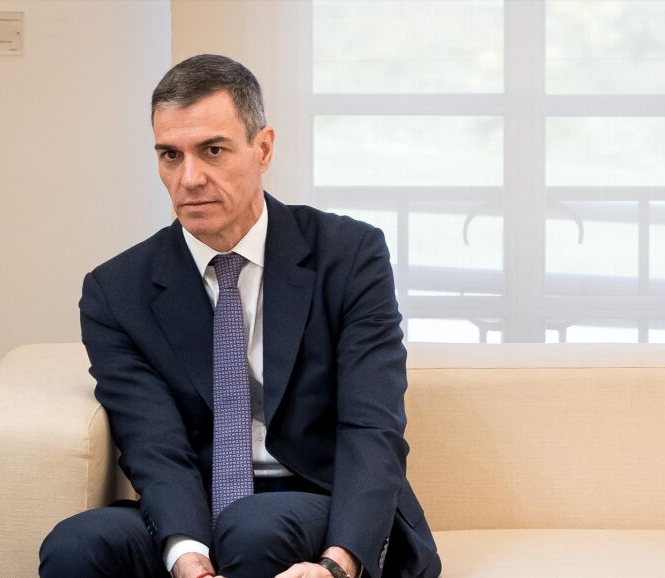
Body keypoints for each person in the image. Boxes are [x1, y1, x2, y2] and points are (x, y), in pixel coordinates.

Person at [38, 54, 441, 578]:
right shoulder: (116, 291)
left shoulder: (349, 255)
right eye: (170, 155)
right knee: (77, 545)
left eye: (213, 150)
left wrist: (338, 564)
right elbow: (154, 445)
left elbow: (372, 425)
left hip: (321, 504)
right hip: (193, 508)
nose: (189, 178)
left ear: (263, 148)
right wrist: (187, 555)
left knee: (254, 528)